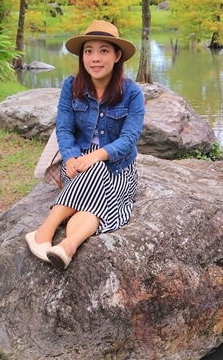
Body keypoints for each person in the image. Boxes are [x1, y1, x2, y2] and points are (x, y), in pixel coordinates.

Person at [26, 20, 145, 269]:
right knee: (97, 183)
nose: (95, 58)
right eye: (88, 51)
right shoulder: (71, 86)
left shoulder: (132, 93)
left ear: (117, 55)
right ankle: (54, 240)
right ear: (82, 56)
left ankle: (62, 242)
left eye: (104, 51)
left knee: (98, 174)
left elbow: (129, 139)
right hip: (78, 161)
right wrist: (70, 157)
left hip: (119, 164)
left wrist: (97, 156)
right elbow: (65, 128)